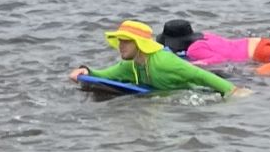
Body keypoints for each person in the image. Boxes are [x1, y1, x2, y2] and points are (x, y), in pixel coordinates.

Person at [70, 19, 240, 96]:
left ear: (139, 44)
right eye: (120, 41)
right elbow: (105, 75)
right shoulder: (130, 65)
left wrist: (233, 91)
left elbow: (199, 75)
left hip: (207, 83)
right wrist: (85, 70)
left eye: (126, 42)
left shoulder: (164, 62)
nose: (121, 46)